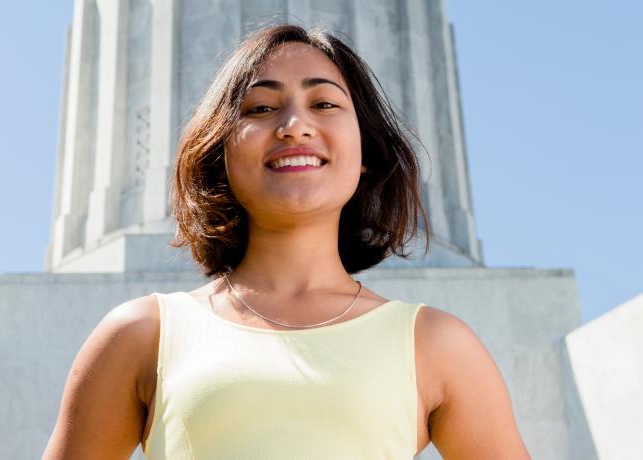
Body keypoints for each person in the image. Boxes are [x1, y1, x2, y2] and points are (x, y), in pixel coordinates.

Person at [43, 24, 531, 459]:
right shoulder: (143, 333)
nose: (294, 125)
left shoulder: (435, 344)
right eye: (261, 107)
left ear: (364, 152)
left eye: (324, 104)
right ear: (221, 152)